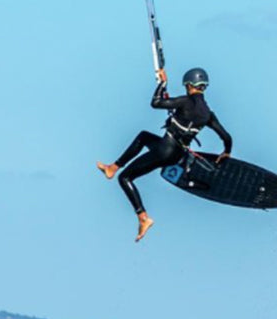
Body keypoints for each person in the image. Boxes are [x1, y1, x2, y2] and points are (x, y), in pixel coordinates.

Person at [97, 67, 233, 242]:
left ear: (189, 85)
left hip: (165, 149)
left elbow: (155, 103)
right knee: (144, 137)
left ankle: (143, 218)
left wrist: (162, 83)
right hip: (177, 155)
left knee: (125, 178)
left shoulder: (185, 101)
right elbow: (227, 137)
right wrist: (226, 153)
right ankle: (112, 167)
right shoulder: (208, 114)